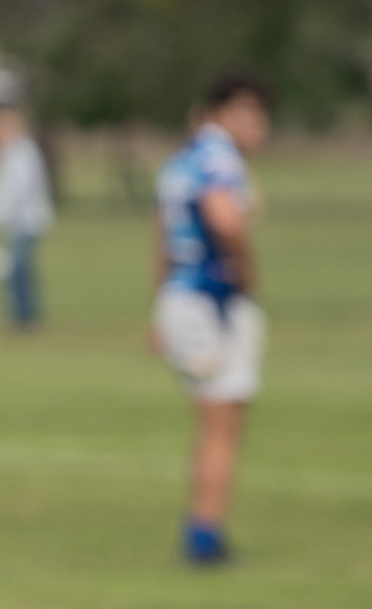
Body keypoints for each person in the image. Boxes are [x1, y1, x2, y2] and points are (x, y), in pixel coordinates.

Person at [151, 72, 272, 564]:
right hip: (212, 300)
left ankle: (201, 528)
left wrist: (158, 308)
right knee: (224, 423)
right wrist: (246, 272)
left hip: (179, 298)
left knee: (209, 421)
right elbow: (225, 218)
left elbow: (160, 237)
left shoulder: (182, 160)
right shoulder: (219, 158)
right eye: (252, 115)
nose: (260, 127)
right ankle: (205, 535)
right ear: (221, 113)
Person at [0, 104, 54, 329]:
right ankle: (23, 315)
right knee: (22, 270)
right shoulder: (19, 150)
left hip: (26, 221)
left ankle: (23, 318)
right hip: (21, 221)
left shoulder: (17, 152)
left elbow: (12, 190)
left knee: (18, 270)